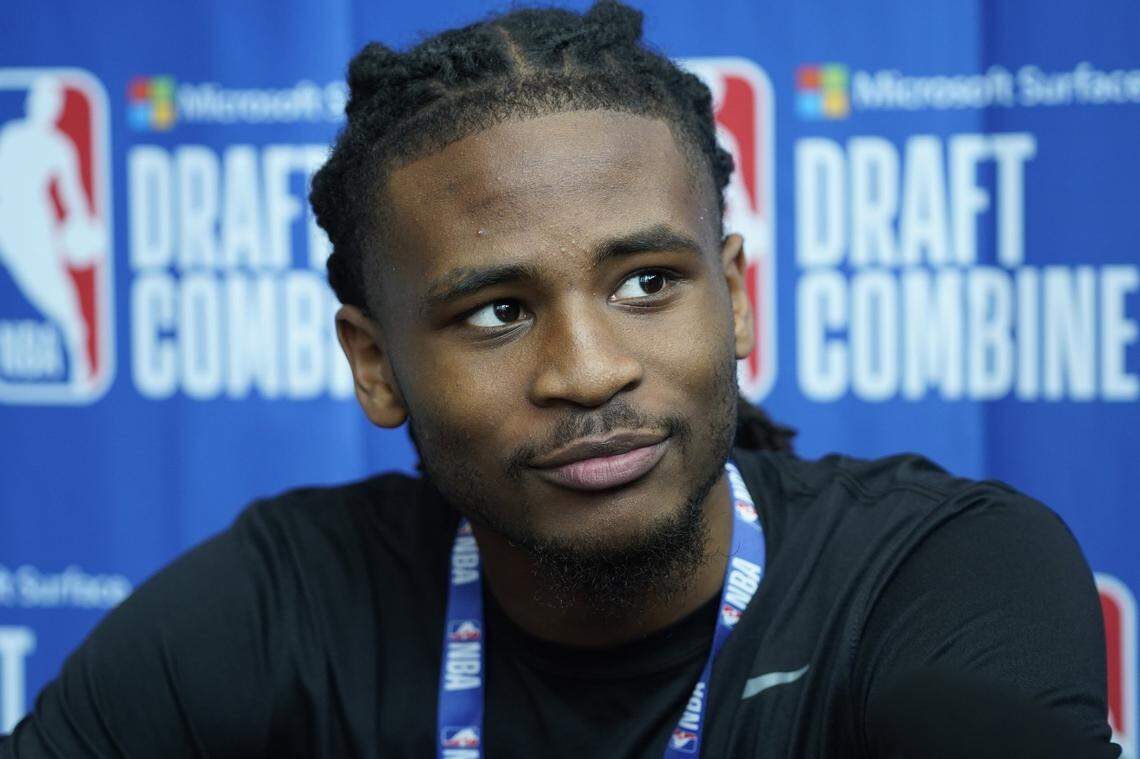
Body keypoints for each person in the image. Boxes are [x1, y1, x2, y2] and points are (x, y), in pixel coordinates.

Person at [0, 2, 1119, 757]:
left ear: (733, 296)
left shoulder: (941, 577)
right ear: (376, 365)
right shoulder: (282, 604)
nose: (588, 372)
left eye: (644, 284)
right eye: (496, 312)